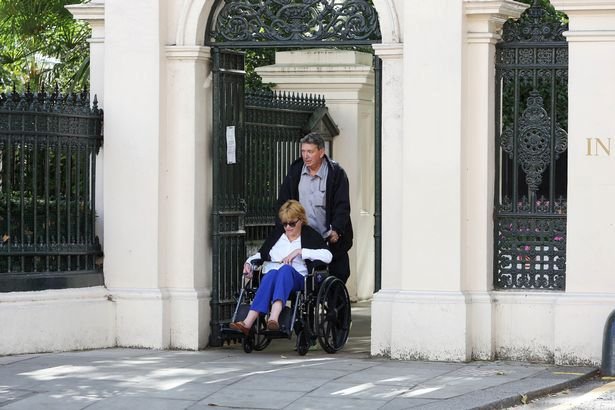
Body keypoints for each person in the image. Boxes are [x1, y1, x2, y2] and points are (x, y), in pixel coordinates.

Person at [230, 200, 332, 335]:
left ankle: (273, 317)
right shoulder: (278, 235)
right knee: (271, 273)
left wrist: (301, 251)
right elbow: (262, 253)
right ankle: (247, 323)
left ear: (301, 220)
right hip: (274, 276)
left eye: (292, 223)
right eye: (285, 224)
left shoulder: (309, 235)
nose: (288, 227)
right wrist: (248, 263)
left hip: (299, 279)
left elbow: (328, 255)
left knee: (285, 269)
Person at [277, 132, 353, 283]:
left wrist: (336, 229)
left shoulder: (335, 173)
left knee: (337, 278)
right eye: (303, 151)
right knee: (305, 283)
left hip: (328, 239)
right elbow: (284, 202)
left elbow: (342, 205)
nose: (306, 156)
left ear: (321, 152)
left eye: (310, 152)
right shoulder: (296, 171)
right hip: (304, 239)